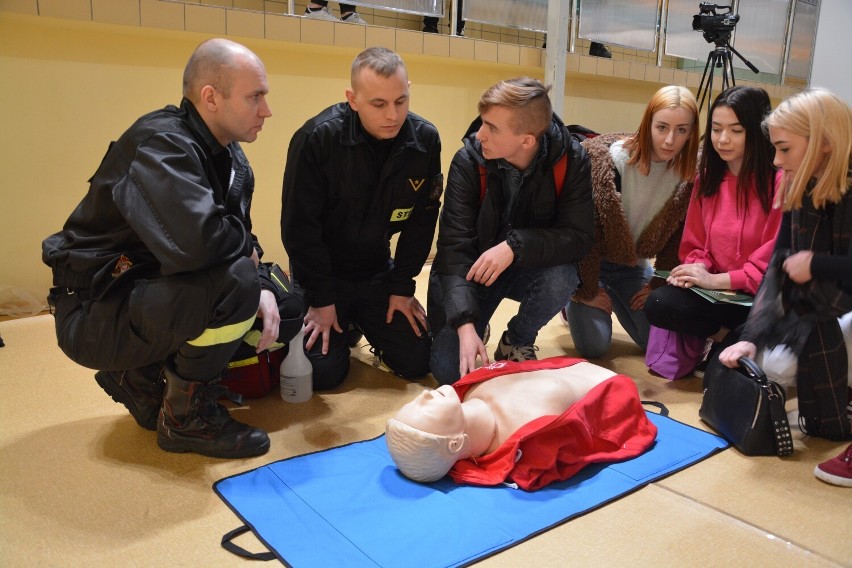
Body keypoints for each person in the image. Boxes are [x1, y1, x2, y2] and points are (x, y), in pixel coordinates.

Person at [41, 39, 301, 459]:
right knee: (236, 284)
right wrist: (249, 271)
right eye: (256, 96)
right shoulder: (161, 145)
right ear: (210, 98)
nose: (266, 110)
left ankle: (143, 381)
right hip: (95, 311)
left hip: (142, 293)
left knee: (285, 304)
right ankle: (185, 421)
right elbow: (201, 247)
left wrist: (261, 279)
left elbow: (235, 238)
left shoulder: (228, 155)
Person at [281, 47, 442, 390]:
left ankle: (357, 322)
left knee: (417, 361)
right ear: (352, 99)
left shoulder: (425, 141)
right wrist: (321, 299)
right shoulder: (316, 139)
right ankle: (345, 323)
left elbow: (421, 222)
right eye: (378, 104)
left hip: (374, 271)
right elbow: (299, 230)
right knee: (323, 376)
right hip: (322, 275)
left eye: (401, 101)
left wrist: (402, 288)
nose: (393, 115)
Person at [718, 88, 852, 486]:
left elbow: (808, 265)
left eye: (784, 149)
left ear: (824, 144)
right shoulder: (800, 184)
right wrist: (750, 338)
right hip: (827, 306)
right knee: (772, 365)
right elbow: (777, 268)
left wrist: (817, 264)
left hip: (841, 302)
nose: (776, 161)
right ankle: (837, 399)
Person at [427, 77, 594, 385]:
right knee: (448, 371)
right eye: (482, 122)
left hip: (525, 267)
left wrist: (514, 246)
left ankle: (516, 340)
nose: (479, 134)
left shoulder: (571, 160)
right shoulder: (468, 160)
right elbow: (453, 247)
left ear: (526, 140)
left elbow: (579, 236)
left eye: (492, 127)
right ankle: (478, 322)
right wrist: (465, 324)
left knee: (563, 275)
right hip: (472, 273)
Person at [644, 86, 783, 377]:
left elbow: (771, 266)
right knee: (659, 303)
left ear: (758, 131)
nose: (722, 139)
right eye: (717, 129)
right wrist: (695, 269)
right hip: (716, 293)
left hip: (757, 298)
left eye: (735, 130)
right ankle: (720, 336)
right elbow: (694, 243)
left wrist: (715, 279)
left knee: (723, 377)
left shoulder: (778, 181)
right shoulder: (708, 176)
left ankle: (731, 340)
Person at [563, 85, 701, 359]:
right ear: (648, 123)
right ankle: (567, 303)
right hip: (591, 265)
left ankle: (618, 298)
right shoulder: (613, 161)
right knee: (595, 347)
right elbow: (584, 233)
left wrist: (656, 286)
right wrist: (585, 290)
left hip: (632, 267)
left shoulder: (688, 175)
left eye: (682, 130)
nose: (670, 140)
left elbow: (676, 240)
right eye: (662, 127)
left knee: (657, 345)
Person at [385, 356, 657, 490]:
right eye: (424, 409)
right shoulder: (530, 436)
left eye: (412, 402)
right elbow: (597, 431)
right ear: (454, 442)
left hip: (575, 364)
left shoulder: (465, 390)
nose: (423, 395)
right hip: (608, 381)